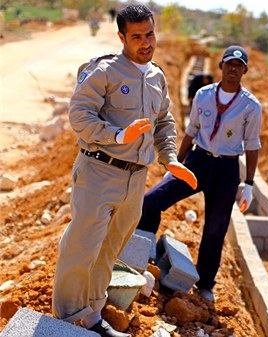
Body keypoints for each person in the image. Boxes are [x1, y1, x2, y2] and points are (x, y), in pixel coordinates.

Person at [52, 5, 197, 337]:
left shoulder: (157, 75)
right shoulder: (105, 72)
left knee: (109, 250)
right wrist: (118, 135)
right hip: (99, 172)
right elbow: (80, 116)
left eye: (150, 34)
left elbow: (165, 123)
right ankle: (63, 323)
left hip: (135, 180)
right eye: (137, 37)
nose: (146, 43)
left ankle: (90, 316)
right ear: (122, 37)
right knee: (81, 247)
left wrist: (170, 158)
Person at [136, 45, 262, 302]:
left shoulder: (251, 106)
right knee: (151, 200)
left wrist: (248, 183)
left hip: (226, 169)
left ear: (245, 70)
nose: (233, 69)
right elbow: (190, 132)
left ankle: (205, 284)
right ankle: (143, 253)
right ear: (221, 66)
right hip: (198, 161)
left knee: (215, 229)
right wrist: (175, 164)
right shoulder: (203, 95)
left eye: (239, 66)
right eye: (229, 64)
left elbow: (252, 145)